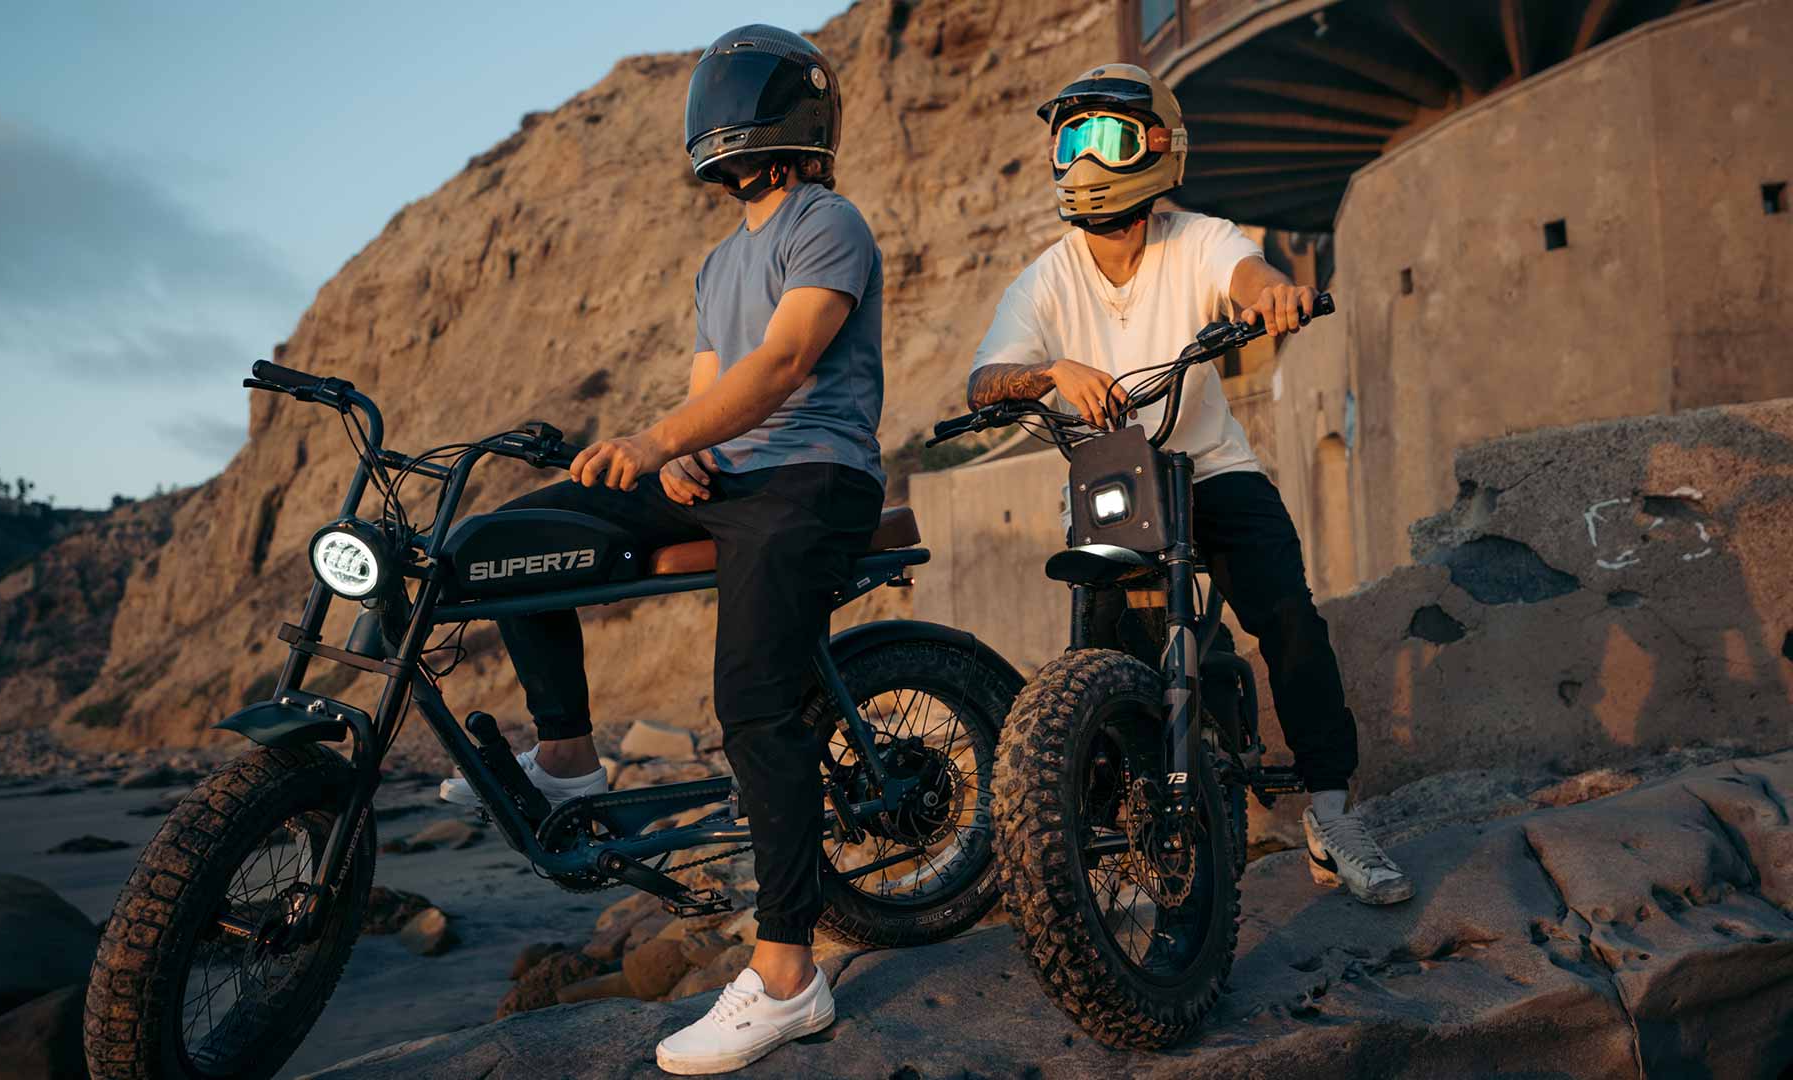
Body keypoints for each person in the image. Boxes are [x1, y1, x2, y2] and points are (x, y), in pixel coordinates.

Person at [439, 24, 883, 1074]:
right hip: (726, 475)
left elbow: (779, 367)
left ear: (788, 119)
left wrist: (660, 441)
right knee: (506, 539)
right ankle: (568, 760)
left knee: (753, 704)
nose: (717, 121)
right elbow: (707, 393)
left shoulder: (830, 223)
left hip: (815, 477)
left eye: (737, 99)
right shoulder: (719, 260)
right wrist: (674, 459)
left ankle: (787, 976)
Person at [966, 63, 1413, 907]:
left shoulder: (1199, 236)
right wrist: (1052, 372)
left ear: (1158, 147)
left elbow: (1247, 274)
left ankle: (1331, 811)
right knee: (1100, 657)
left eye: (1108, 137)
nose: (1087, 158)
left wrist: (1275, 297)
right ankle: (1120, 835)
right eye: (1072, 139)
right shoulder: (1045, 279)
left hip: (1211, 465)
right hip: (1112, 480)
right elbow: (986, 378)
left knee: (1288, 616)